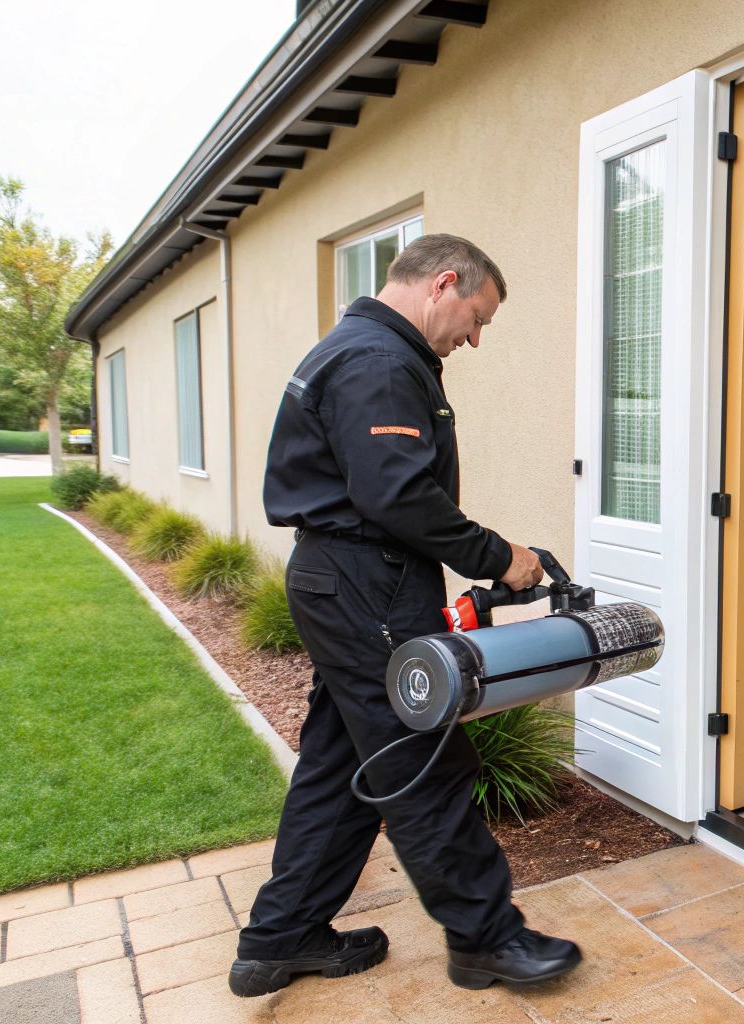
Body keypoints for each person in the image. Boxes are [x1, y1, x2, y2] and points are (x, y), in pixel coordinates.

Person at [230, 234, 581, 997]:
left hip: (345, 580)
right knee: (425, 760)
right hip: (368, 582)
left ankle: (281, 936)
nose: (476, 337)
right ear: (443, 283)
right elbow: (396, 497)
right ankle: (487, 939)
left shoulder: (359, 349)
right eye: (476, 316)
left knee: (343, 762)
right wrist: (500, 556)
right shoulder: (379, 363)